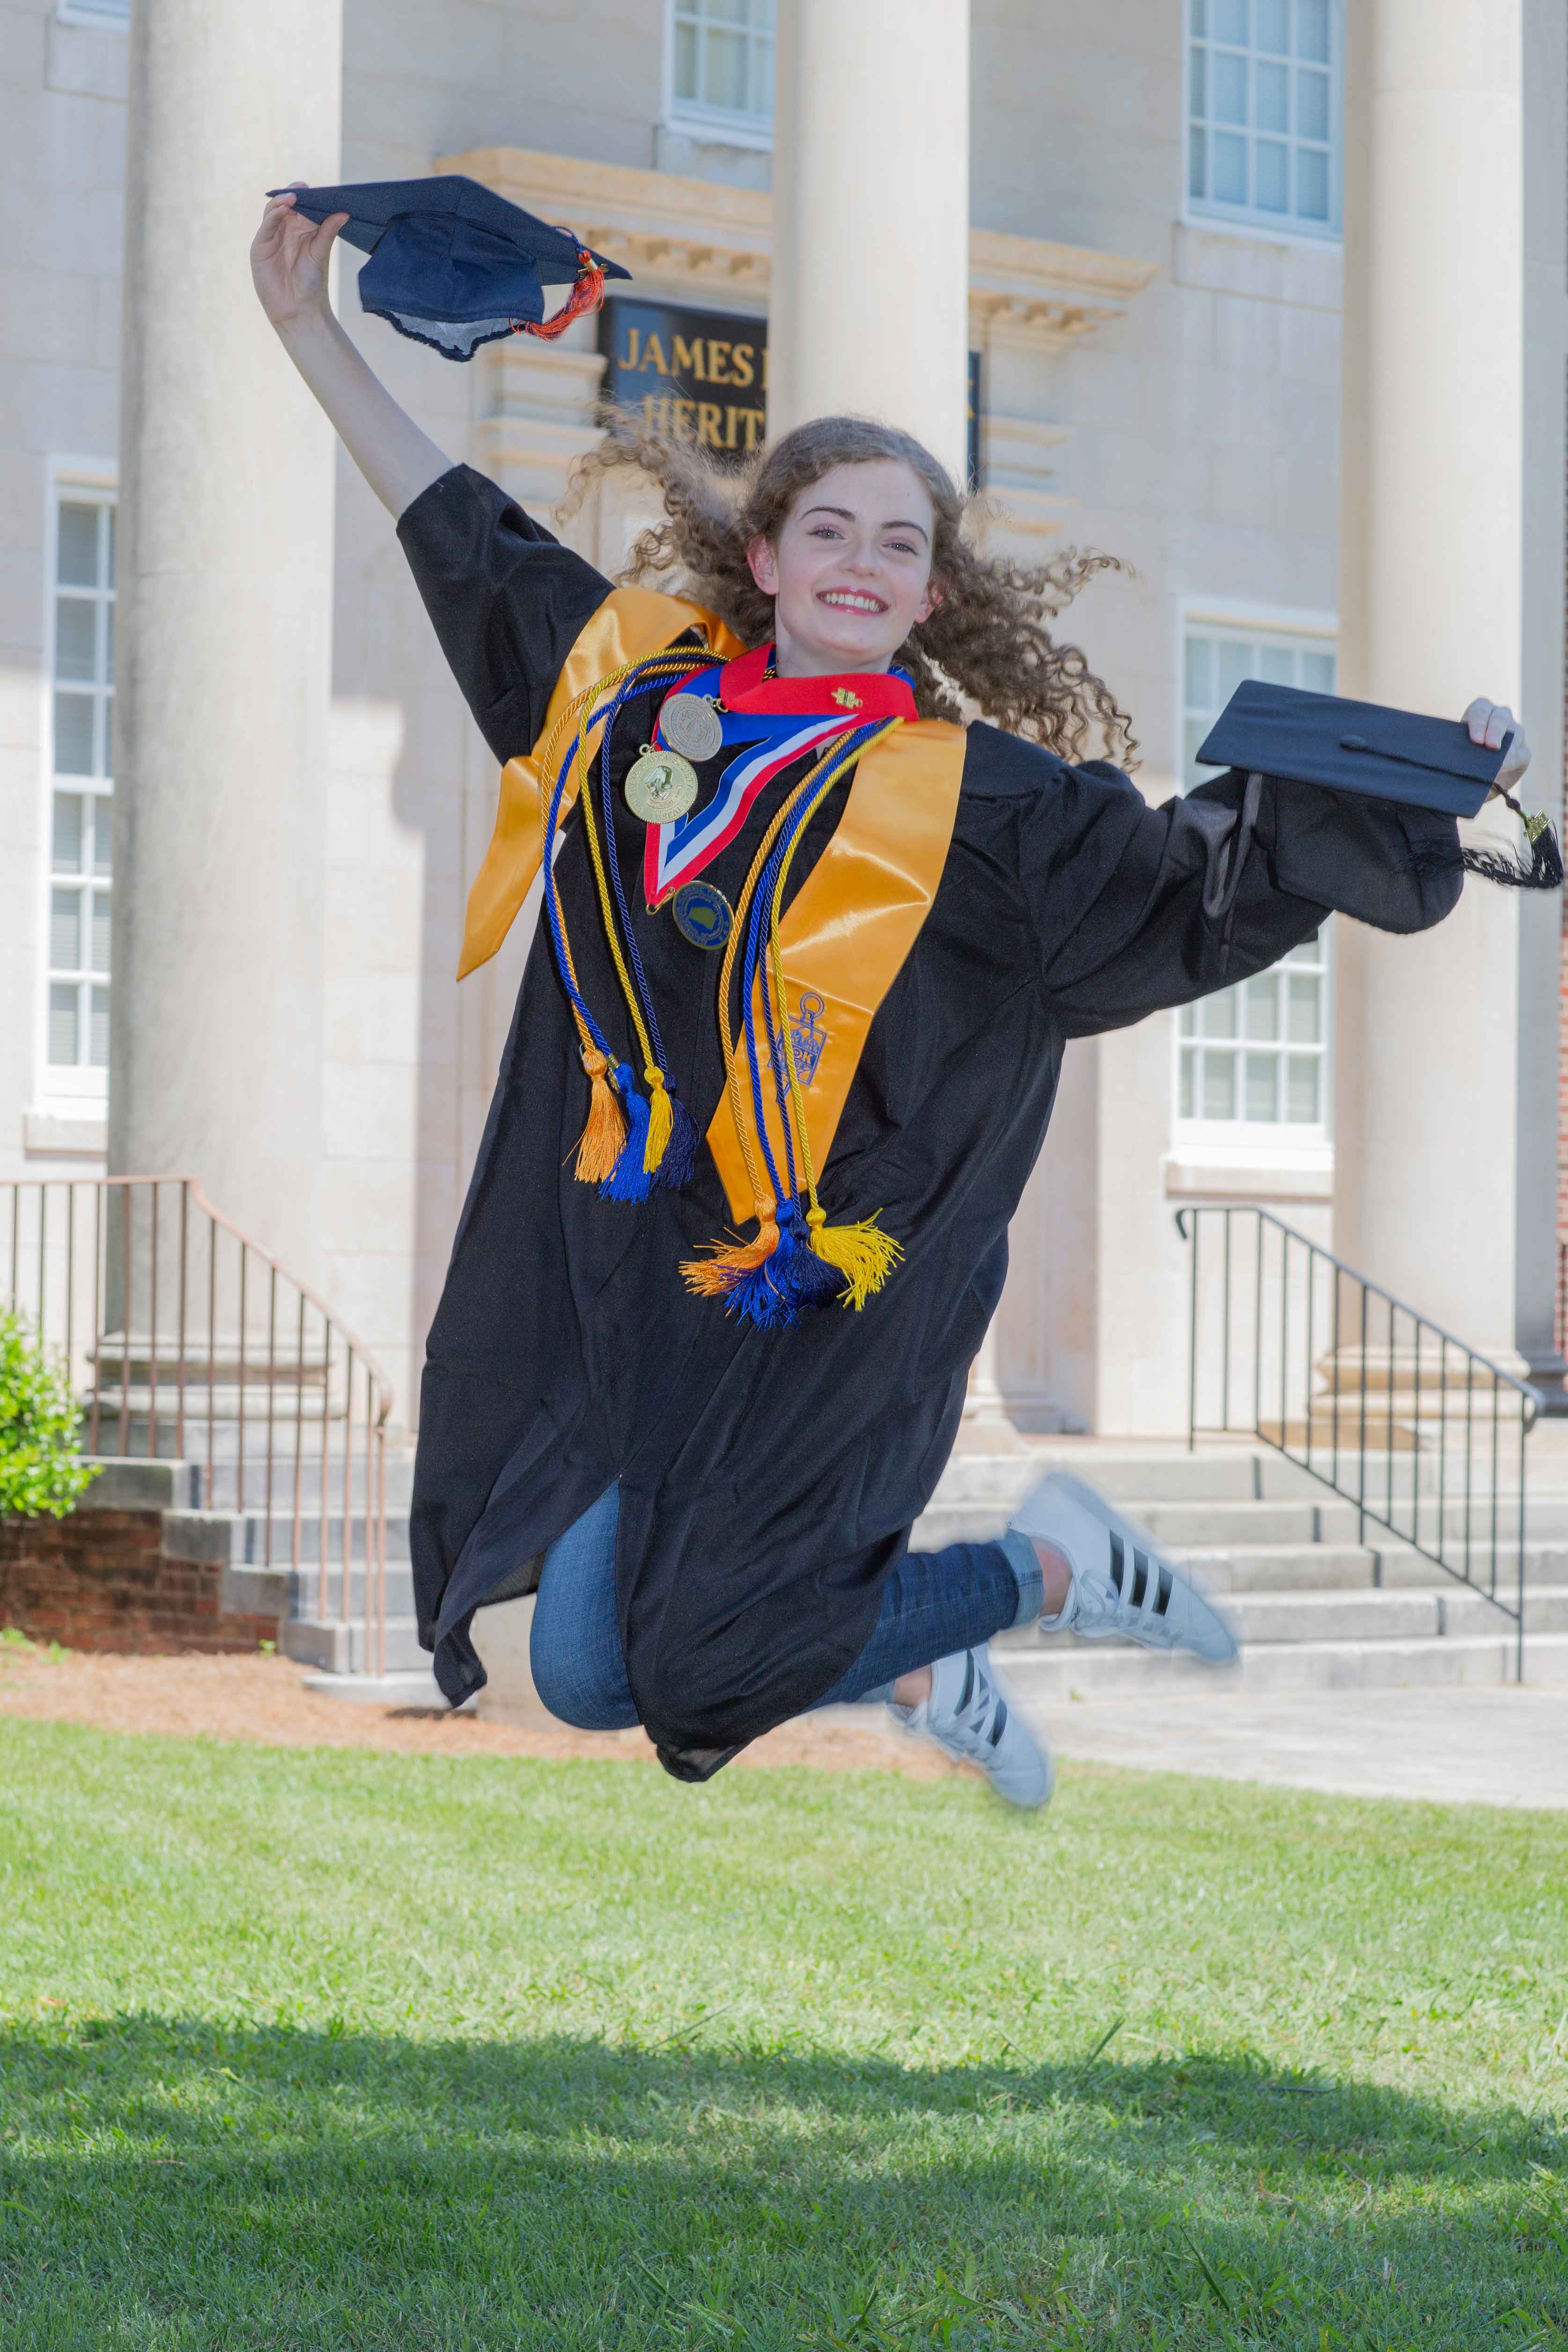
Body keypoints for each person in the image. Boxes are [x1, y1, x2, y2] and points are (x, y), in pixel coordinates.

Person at [251, 186, 1533, 1802]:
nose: (863, 563)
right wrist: (308, 332)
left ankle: (1039, 1572)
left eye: (902, 544)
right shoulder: (634, 698)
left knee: (701, 1662)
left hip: (821, 1291)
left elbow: (1191, 883)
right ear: (765, 556)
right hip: (626, 1263)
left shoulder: (981, 801)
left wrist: (1422, 781)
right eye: (832, 531)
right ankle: (926, 1650)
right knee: (579, 1667)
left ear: (932, 600)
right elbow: (466, 540)